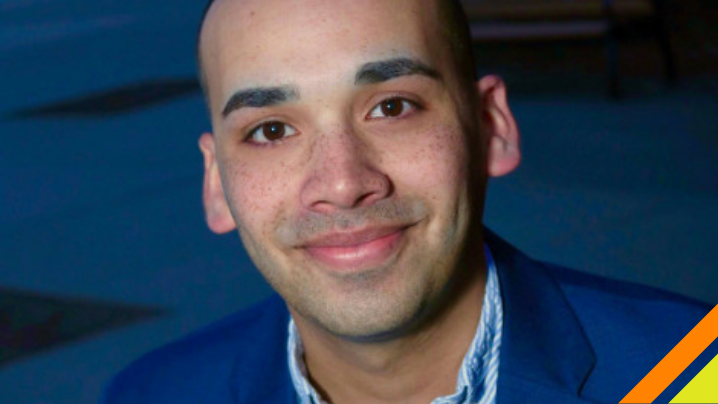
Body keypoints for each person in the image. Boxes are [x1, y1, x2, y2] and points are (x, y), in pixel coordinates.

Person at [102, 0, 715, 403]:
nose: (342, 183)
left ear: (491, 128)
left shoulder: (694, 375)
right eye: (271, 130)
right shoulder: (153, 394)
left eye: (392, 107)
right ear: (216, 184)